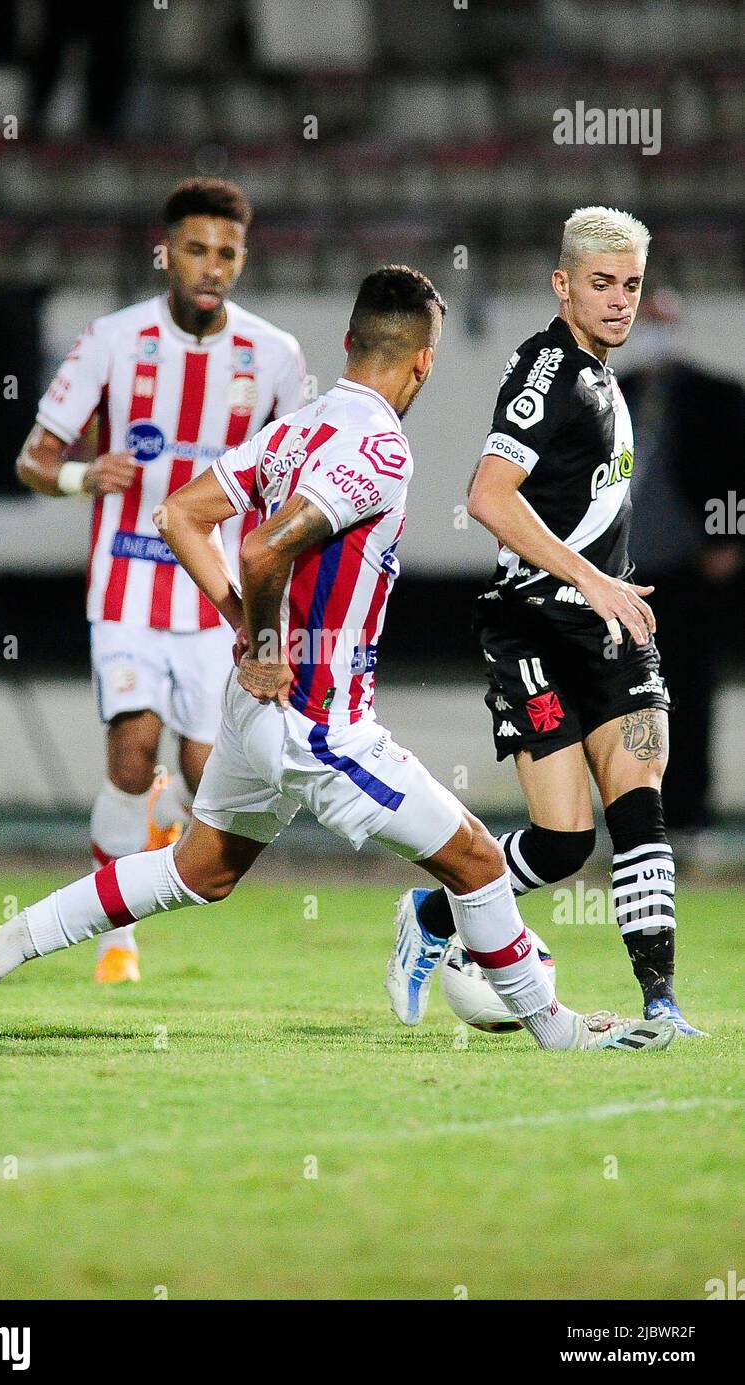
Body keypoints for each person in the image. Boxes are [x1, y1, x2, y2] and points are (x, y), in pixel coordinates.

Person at [0, 266, 674, 1055]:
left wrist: (242, 623)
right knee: (475, 860)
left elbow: (179, 515)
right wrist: (265, 644)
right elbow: (267, 547)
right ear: (425, 362)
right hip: (319, 725)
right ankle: (561, 1032)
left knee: (198, 871)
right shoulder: (379, 447)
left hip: (255, 714)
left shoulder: (299, 425)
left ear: (348, 341)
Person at [386, 208, 705, 1038]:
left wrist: (608, 591)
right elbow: (488, 497)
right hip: (533, 626)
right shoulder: (550, 366)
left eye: (631, 285)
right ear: (563, 285)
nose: (619, 301)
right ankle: (432, 916)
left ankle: (661, 1006)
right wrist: (593, 579)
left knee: (639, 803)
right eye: (601, 284)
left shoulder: (606, 376)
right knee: (562, 845)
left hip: (611, 626)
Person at [16, 176, 307, 983]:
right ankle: (116, 937)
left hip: (217, 595)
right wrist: (81, 478)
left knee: (203, 779)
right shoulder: (113, 339)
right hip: (127, 585)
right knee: (133, 753)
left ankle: (156, 829)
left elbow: (301, 474)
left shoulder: (275, 356)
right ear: (166, 252)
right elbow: (34, 458)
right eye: (196, 249)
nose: (211, 266)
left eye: (227, 252)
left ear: (242, 259)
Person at [619, 289, 745, 845]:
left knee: (690, 689)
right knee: (627, 695)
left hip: (686, 566)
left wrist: (728, 538)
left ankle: (690, 812)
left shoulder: (714, 396)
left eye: (662, 321)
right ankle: (635, 813)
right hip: (621, 573)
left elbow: (736, 472)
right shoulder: (613, 393)